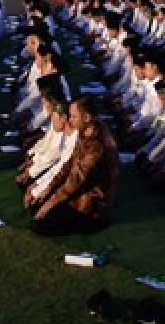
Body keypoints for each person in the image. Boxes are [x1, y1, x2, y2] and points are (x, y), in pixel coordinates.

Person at [29, 95, 120, 236]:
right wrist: (48, 189)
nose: (69, 120)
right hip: (80, 191)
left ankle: (95, 222)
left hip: (92, 204)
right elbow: (70, 164)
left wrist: (51, 201)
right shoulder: (86, 131)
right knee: (37, 204)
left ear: (87, 118)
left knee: (42, 223)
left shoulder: (97, 144)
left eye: (73, 117)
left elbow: (77, 178)